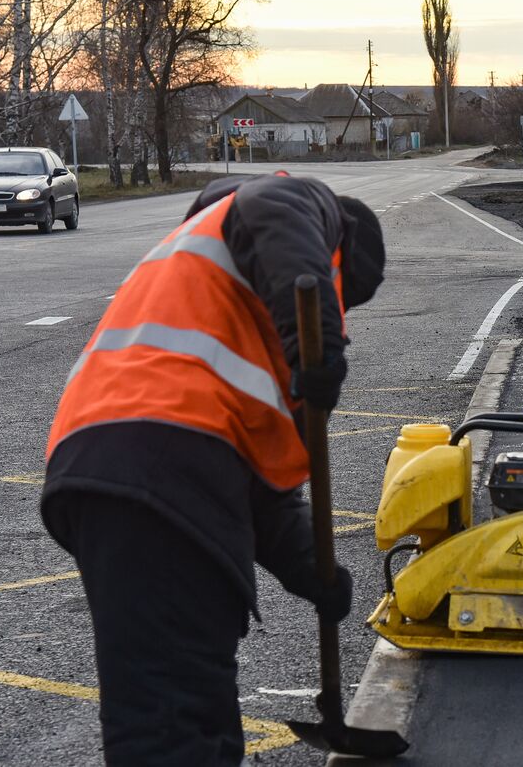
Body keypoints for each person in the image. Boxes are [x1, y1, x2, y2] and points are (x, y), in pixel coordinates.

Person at [41, 172, 385, 764]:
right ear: (336, 245)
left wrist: (315, 569)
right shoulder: (292, 201)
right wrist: (322, 347)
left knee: (184, 706)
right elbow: (276, 206)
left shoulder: (216, 293)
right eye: (340, 294)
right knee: (172, 724)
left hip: (123, 467)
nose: (336, 308)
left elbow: (260, 491)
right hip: (159, 464)